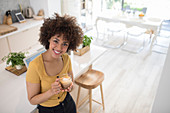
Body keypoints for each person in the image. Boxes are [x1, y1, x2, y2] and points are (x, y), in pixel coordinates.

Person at [26, 13, 83, 113]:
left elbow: (71, 84)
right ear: (48, 38)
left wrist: (70, 87)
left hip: (68, 103)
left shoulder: (66, 59)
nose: (59, 48)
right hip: (48, 110)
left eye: (65, 44)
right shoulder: (35, 66)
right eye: (56, 41)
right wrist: (51, 92)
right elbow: (32, 100)